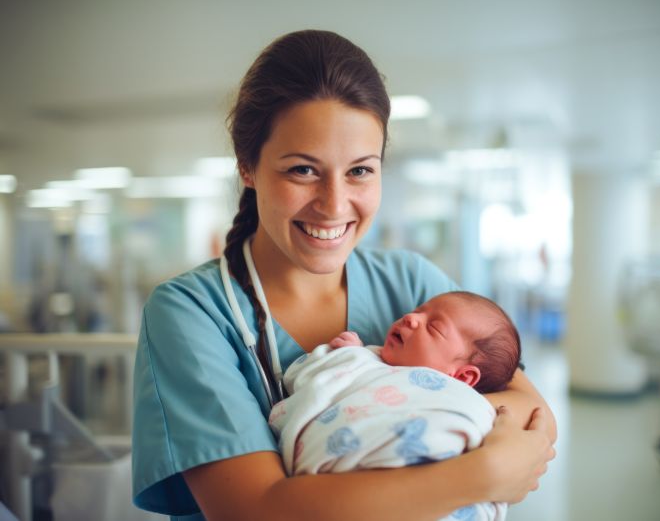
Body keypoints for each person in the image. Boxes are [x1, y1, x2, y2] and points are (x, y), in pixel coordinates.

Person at [132, 30, 556, 521]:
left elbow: (534, 411)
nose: (334, 205)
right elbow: (255, 510)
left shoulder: (411, 282)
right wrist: (482, 473)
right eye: (303, 171)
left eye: (359, 171)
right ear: (247, 166)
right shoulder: (192, 313)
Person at [269, 291, 522, 520]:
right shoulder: (367, 358)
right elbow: (312, 380)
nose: (412, 318)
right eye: (418, 310)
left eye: (433, 328)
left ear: (463, 377)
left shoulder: (459, 402)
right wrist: (347, 356)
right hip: (346, 495)